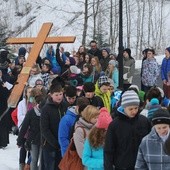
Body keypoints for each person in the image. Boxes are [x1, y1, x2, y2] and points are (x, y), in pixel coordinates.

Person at [104, 90, 151, 170]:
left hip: (142, 165)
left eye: (136, 108)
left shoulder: (144, 121)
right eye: (130, 109)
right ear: (124, 107)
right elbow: (109, 150)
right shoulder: (114, 125)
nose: (134, 111)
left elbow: (151, 142)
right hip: (122, 166)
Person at [40, 84, 67, 170]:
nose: (59, 97)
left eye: (60, 94)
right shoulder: (46, 109)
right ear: (51, 95)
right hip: (49, 145)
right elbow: (44, 129)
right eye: (56, 95)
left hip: (63, 144)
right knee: (50, 166)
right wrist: (55, 143)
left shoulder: (65, 106)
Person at [17, 94, 46, 170]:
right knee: (34, 159)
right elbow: (24, 127)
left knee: (42, 160)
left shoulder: (46, 112)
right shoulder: (31, 113)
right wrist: (19, 140)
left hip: (44, 140)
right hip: (33, 140)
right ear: (36, 103)